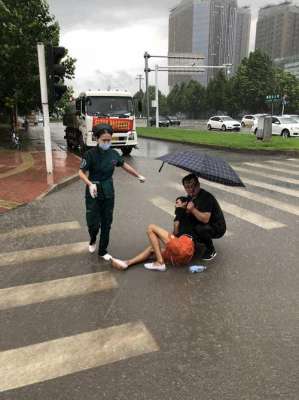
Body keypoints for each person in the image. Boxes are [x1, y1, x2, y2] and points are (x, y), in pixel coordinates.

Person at [79, 123, 145, 260]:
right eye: (104, 140)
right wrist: (90, 184)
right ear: (97, 139)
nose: (107, 142)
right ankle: (92, 238)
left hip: (108, 190)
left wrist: (137, 175)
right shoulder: (89, 154)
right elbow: (81, 172)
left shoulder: (113, 153)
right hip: (93, 190)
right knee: (93, 222)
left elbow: (124, 165)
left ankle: (103, 250)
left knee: (107, 222)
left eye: (109, 140)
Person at [111, 197, 195, 272]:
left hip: (184, 246)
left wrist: (178, 215)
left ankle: (160, 262)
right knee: (153, 249)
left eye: (177, 202)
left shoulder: (180, 210)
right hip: (181, 258)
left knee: (151, 227)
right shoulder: (190, 217)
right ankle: (127, 263)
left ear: (184, 203)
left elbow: (176, 229)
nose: (175, 205)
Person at [182, 173, 226, 261]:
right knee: (184, 220)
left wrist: (193, 209)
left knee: (200, 228)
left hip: (217, 226)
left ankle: (211, 250)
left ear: (198, 185)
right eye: (187, 187)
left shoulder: (206, 197)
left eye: (193, 186)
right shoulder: (190, 196)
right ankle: (196, 242)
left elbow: (205, 219)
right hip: (205, 223)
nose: (190, 189)